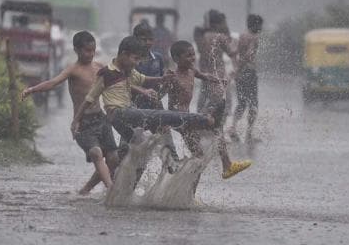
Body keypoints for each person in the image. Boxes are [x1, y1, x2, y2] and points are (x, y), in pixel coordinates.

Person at [72, 36, 217, 173]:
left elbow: (143, 79)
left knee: (142, 150)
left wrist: (161, 79)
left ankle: (122, 187)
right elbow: (89, 98)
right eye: (135, 59)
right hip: (119, 113)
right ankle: (202, 119)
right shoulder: (106, 72)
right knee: (160, 116)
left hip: (127, 116)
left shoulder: (128, 71)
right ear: (124, 54)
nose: (137, 63)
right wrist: (76, 120)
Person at [21, 31, 119, 195]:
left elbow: (117, 82)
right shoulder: (73, 70)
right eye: (87, 50)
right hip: (82, 123)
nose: (91, 54)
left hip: (100, 119)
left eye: (93, 50)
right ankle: (111, 190)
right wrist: (32, 89)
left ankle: (86, 189)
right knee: (96, 153)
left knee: (113, 158)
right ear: (77, 50)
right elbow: (53, 82)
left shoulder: (99, 67)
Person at [165, 40, 252, 179]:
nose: (193, 58)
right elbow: (159, 94)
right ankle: (227, 165)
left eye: (193, 54)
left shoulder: (192, 70)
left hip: (187, 119)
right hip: (178, 119)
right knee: (214, 126)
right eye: (188, 56)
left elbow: (205, 76)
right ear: (176, 59)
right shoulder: (172, 77)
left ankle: (189, 191)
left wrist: (218, 80)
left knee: (199, 155)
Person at [131, 22, 181, 174]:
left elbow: (159, 89)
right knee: (134, 157)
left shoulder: (157, 59)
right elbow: (125, 85)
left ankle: (178, 192)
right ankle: (121, 191)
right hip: (134, 113)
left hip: (155, 110)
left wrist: (168, 82)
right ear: (135, 39)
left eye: (150, 39)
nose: (147, 43)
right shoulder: (131, 60)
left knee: (171, 154)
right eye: (143, 39)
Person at [229, 14, 263, 143]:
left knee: (242, 102)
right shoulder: (254, 38)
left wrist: (236, 68)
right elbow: (249, 55)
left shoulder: (241, 36)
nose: (261, 28)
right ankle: (249, 134)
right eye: (260, 25)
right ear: (255, 25)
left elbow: (233, 53)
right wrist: (240, 68)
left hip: (241, 74)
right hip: (249, 72)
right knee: (253, 103)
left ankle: (233, 127)